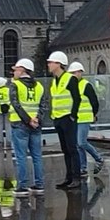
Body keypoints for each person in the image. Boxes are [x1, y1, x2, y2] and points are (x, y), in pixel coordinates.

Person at [7, 58, 46, 197]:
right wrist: (36, 119)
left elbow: (16, 105)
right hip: (36, 125)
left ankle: (22, 186)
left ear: (22, 70)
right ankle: (39, 184)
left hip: (19, 124)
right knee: (37, 156)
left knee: (21, 157)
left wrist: (28, 120)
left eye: (16, 69)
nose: (14, 72)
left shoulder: (15, 85)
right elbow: (43, 106)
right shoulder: (39, 86)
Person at [45, 52, 84, 189]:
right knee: (65, 149)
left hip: (68, 118)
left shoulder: (70, 79)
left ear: (58, 64)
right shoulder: (54, 81)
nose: (49, 65)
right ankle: (69, 177)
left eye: (51, 62)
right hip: (58, 118)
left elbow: (77, 98)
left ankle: (76, 177)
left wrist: (72, 115)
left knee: (72, 148)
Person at [68, 62, 105, 176]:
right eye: (72, 73)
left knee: (81, 142)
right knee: (78, 144)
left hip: (84, 117)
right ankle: (82, 168)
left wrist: (94, 114)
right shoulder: (71, 85)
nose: (74, 75)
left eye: (76, 72)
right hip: (76, 118)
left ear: (80, 73)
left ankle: (98, 159)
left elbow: (94, 101)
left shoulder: (85, 85)